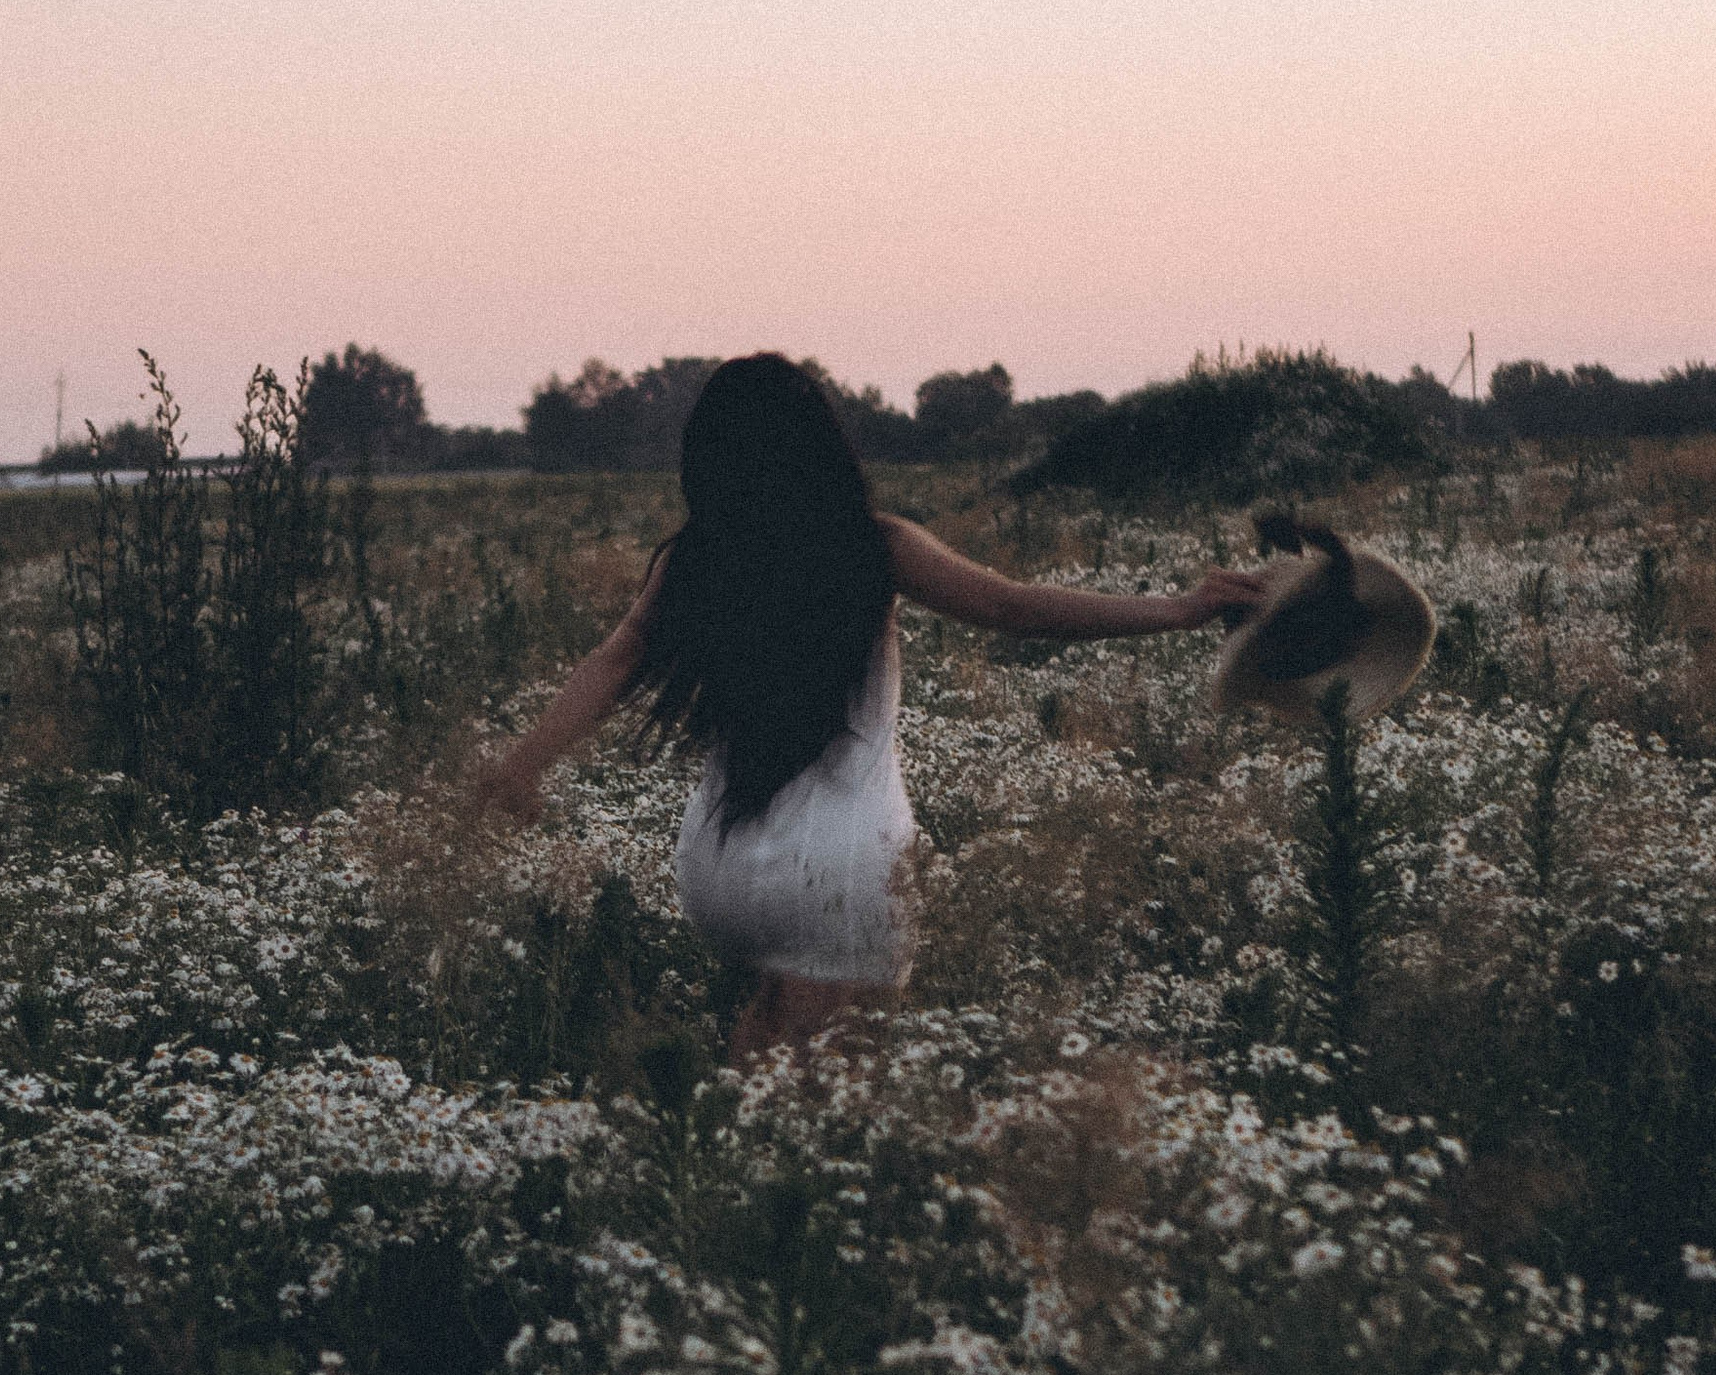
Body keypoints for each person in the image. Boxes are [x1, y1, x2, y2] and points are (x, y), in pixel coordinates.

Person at [473, 353, 1264, 1060]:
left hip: (717, 866)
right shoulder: (873, 545)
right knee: (829, 1116)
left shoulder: (695, 559)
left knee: (766, 1067)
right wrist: (1176, 609)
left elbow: (614, 659)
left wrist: (519, 768)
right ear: (823, 446)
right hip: (836, 871)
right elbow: (1015, 608)